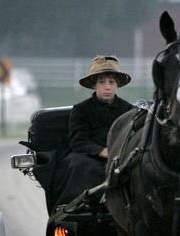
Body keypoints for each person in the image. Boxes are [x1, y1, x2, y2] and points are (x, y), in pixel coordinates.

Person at [52, 55, 135, 209]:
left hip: (122, 157)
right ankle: (80, 205)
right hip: (91, 157)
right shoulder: (81, 110)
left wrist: (119, 153)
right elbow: (78, 141)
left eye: (111, 82)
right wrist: (102, 151)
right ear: (94, 85)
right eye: (102, 82)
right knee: (79, 165)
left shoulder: (129, 110)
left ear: (117, 85)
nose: (107, 87)